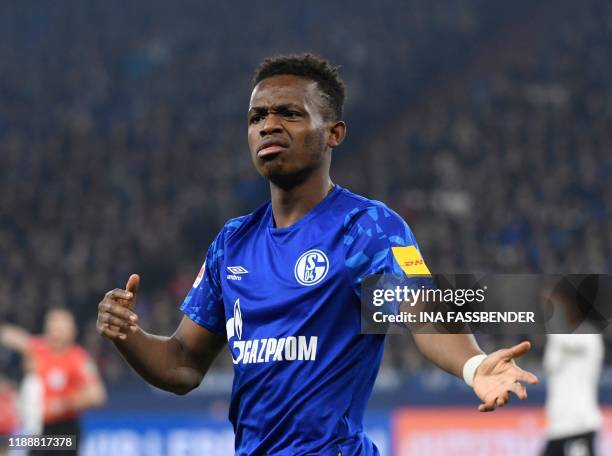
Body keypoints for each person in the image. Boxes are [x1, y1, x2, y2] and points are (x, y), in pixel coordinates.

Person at [97, 53, 538, 455]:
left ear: (334, 133)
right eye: (257, 117)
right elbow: (182, 365)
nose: (268, 125)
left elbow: (420, 310)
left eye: (289, 113)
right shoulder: (231, 243)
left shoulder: (365, 227)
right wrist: (128, 336)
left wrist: (474, 364)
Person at [0, 308, 107, 454]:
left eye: (60, 329)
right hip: (39, 427)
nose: (56, 333)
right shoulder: (40, 348)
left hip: (64, 429)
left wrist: (63, 404)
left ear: (72, 331)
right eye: (52, 328)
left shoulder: (79, 359)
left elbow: (97, 395)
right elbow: (16, 338)